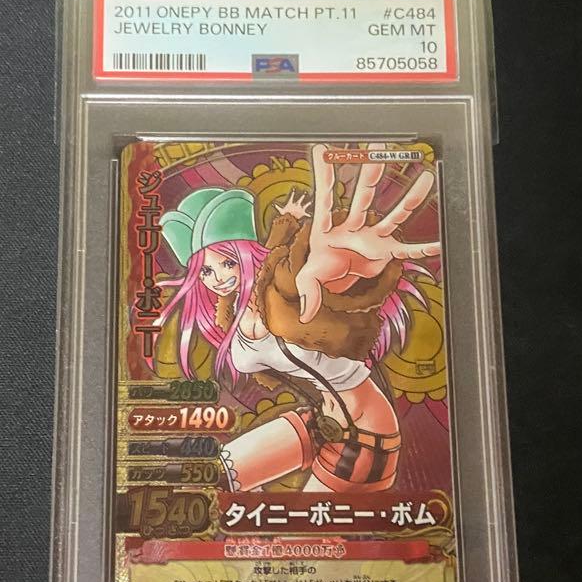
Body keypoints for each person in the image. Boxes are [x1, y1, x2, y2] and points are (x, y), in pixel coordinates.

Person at [155, 144, 441, 493]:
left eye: (228, 262)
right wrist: (285, 222)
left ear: (247, 255)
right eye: (206, 271)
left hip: (367, 435)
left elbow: (313, 284)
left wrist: (346, 272)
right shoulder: (232, 313)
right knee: (210, 480)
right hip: (319, 420)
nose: (218, 278)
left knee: (303, 525)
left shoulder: (287, 288)